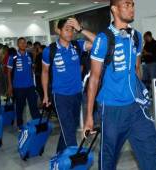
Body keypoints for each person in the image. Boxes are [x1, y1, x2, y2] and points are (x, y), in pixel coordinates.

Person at [84, 0, 156, 169]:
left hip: (136, 107)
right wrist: (89, 116)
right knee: (108, 157)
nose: (132, 9)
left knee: (150, 150)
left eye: (133, 5)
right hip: (112, 109)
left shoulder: (136, 36)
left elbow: (137, 68)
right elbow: (94, 78)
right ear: (114, 9)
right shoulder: (103, 39)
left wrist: (141, 93)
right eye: (127, 5)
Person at [42, 18, 95, 153]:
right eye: (66, 29)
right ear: (59, 31)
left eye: (72, 29)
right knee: (69, 130)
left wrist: (81, 29)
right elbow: (45, 72)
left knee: (71, 127)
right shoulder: (50, 50)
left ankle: (60, 155)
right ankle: (73, 160)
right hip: (59, 95)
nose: (70, 32)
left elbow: (98, 43)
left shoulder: (78, 45)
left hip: (76, 93)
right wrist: (45, 95)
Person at [7, 37, 40, 130]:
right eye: (20, 43)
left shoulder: (29, 55)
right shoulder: (13, 57)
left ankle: (37, 124)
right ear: (18, 45)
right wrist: (10, 86)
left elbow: (32, 68)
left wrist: (34, 66)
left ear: (26, 44)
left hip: (30, 86)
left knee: (34, 106)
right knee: (20, 107)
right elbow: (9, 72)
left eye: (24, 43)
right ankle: (20, 125)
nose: (22, 44)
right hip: (18, 87)